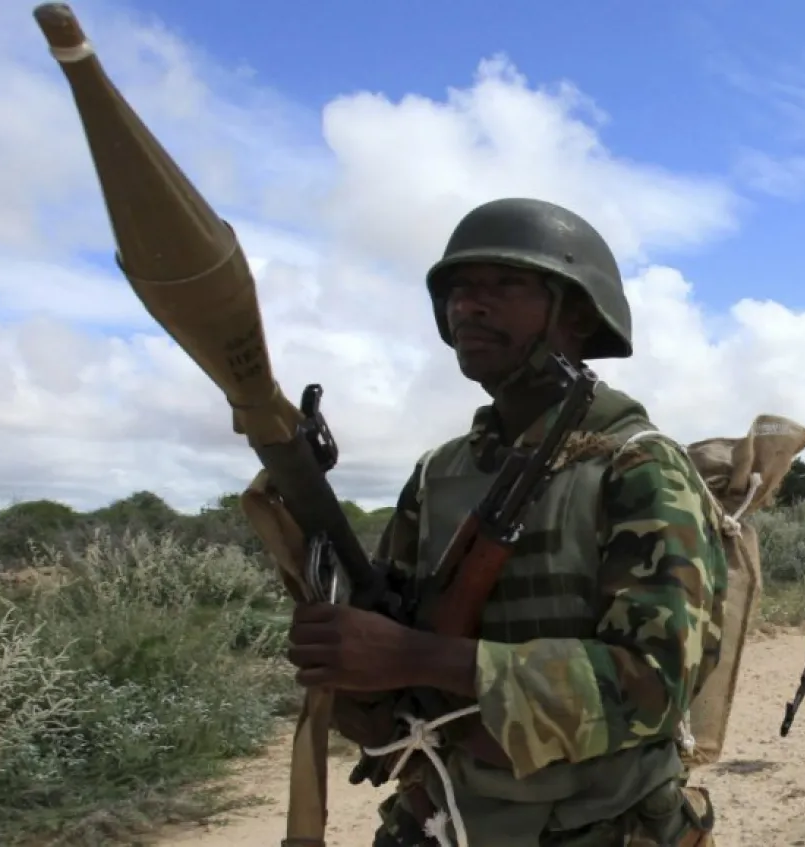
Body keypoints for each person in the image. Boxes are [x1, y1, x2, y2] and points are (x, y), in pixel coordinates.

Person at [285, 198, 728, 847]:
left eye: (504, 284)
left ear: (577, 312)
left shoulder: (639, 467)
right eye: (459, 290)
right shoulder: (440, 472)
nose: (469, 305)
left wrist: (417, 656)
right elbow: (389, 642)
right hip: (444, 819)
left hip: (597, 827)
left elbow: (654, 684)